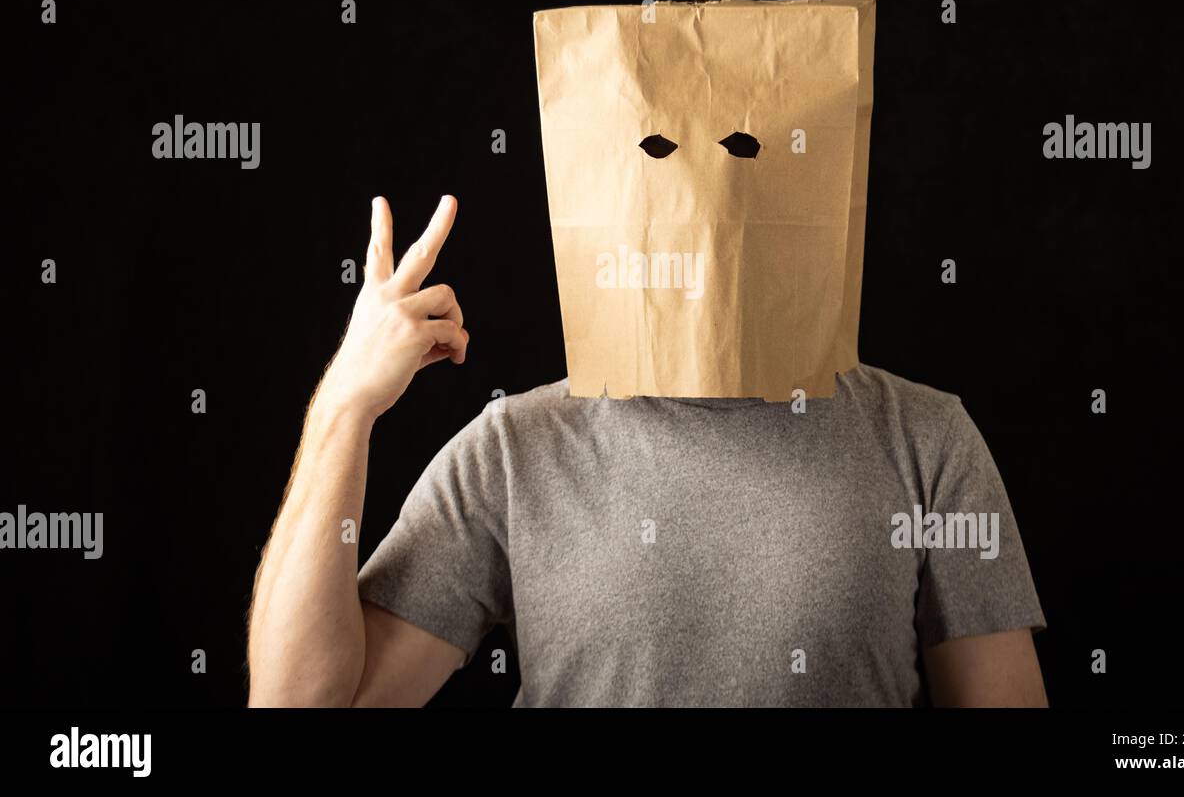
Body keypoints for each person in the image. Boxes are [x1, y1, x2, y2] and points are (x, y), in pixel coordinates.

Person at [246, 194, 1049, 707]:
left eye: (748, 158)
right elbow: (301, 705)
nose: (707, 200)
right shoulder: (514, 451)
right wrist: (344, 406)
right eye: (660, 157)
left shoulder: (927, 438)